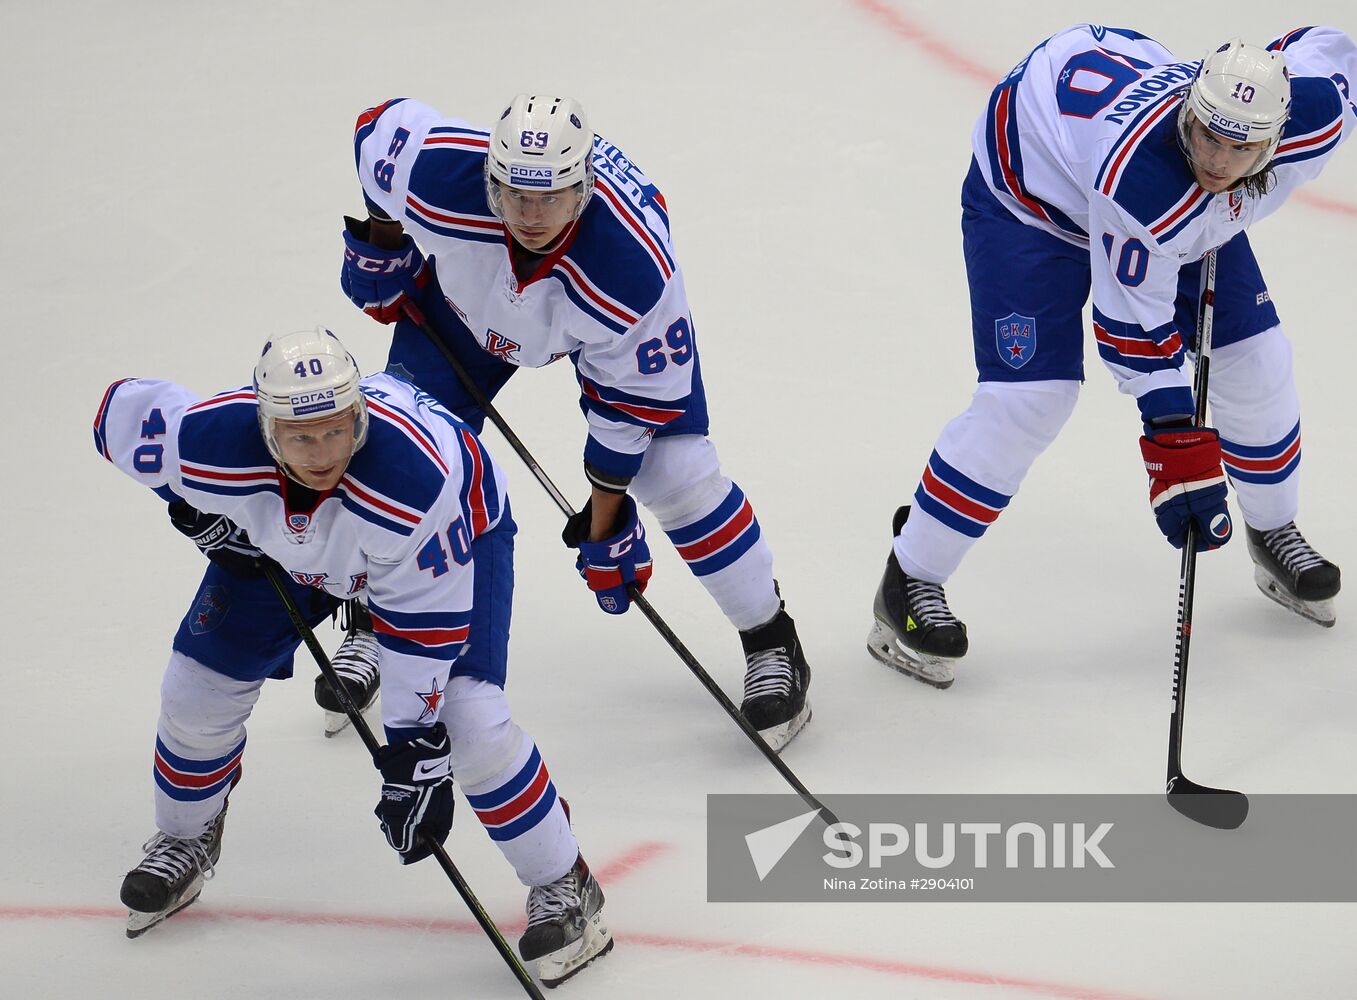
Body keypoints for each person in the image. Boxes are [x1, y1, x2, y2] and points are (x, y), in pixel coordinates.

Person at [94, 329, 612, 987]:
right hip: (289, 548)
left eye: (336, 431)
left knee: (467, 719)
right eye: (301, 437)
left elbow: (423, 637)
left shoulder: (413, 485)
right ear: (266, 428)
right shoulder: (211, 440)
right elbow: (118, 415)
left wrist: (413, 759)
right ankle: (185, 835)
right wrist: (189, 503)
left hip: (449, 543)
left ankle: (564, 879)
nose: (322, 453)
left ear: (359, 417)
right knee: (196, 688)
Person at [870, 26, 1353, 688]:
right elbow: (1133, 327)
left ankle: (1272, 530)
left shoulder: (1314, 114)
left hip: (1168, 209)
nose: (1217, 160)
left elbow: (1322, 45)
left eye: (1240, 146)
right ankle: (910, 576)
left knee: (1256, 361)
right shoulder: (1146, 182)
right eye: (1207, 136)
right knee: (1030, 401)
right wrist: (1175, 444)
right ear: (1189, 112)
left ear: (1275, 138)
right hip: (1034, 202)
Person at [338, 93, 811, 750]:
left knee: (675, 472)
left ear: (583, 189)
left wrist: (604, 521)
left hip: (591, 324)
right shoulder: (439, 171)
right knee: (400, 453)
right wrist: (384, 242)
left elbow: (628, 413)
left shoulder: (631, 269)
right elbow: (374, 136)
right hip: (462, 306)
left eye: (551, 198)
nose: (530, 216)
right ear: (490, 178)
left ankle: (771, 637)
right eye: (513, 195)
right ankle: (372, 616)